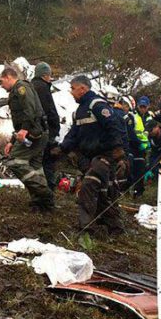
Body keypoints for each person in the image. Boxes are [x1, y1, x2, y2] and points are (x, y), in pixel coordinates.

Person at [52, 75, 127, 235]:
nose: (71, 93)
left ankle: (86, 228)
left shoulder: (97, 104)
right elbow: (74, 134)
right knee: (103, 191)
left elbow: (113, 124)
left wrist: (118, 148)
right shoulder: (80, 111)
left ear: (83, 88)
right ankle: (114, 227)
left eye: (73, 88)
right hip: (89, 158)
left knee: (88, 186)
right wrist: (62, 149)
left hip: (104, 155)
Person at [0, 67, 55, 212]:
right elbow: (19, 119)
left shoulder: (21, 88)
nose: (1, 85)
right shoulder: (17, 90)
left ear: (8, 77)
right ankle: (41, 203)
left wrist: (25, 129)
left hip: (34, 133)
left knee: (14, 161)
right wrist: (12, 140)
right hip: (34, 132)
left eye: (1, 81)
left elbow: (30, 109)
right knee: (35, 166)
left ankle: (45, 193)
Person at [31, 62, 61, 187]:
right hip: (45, 132)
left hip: (34, 132)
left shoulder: (31, 87)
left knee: (36, 164)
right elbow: (49, 111)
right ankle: (48, 193)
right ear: (45, 75)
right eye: (49, 75)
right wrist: (54, 129)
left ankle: (38, 192)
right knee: (47, 164)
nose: (50, 78)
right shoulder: (43, 88)